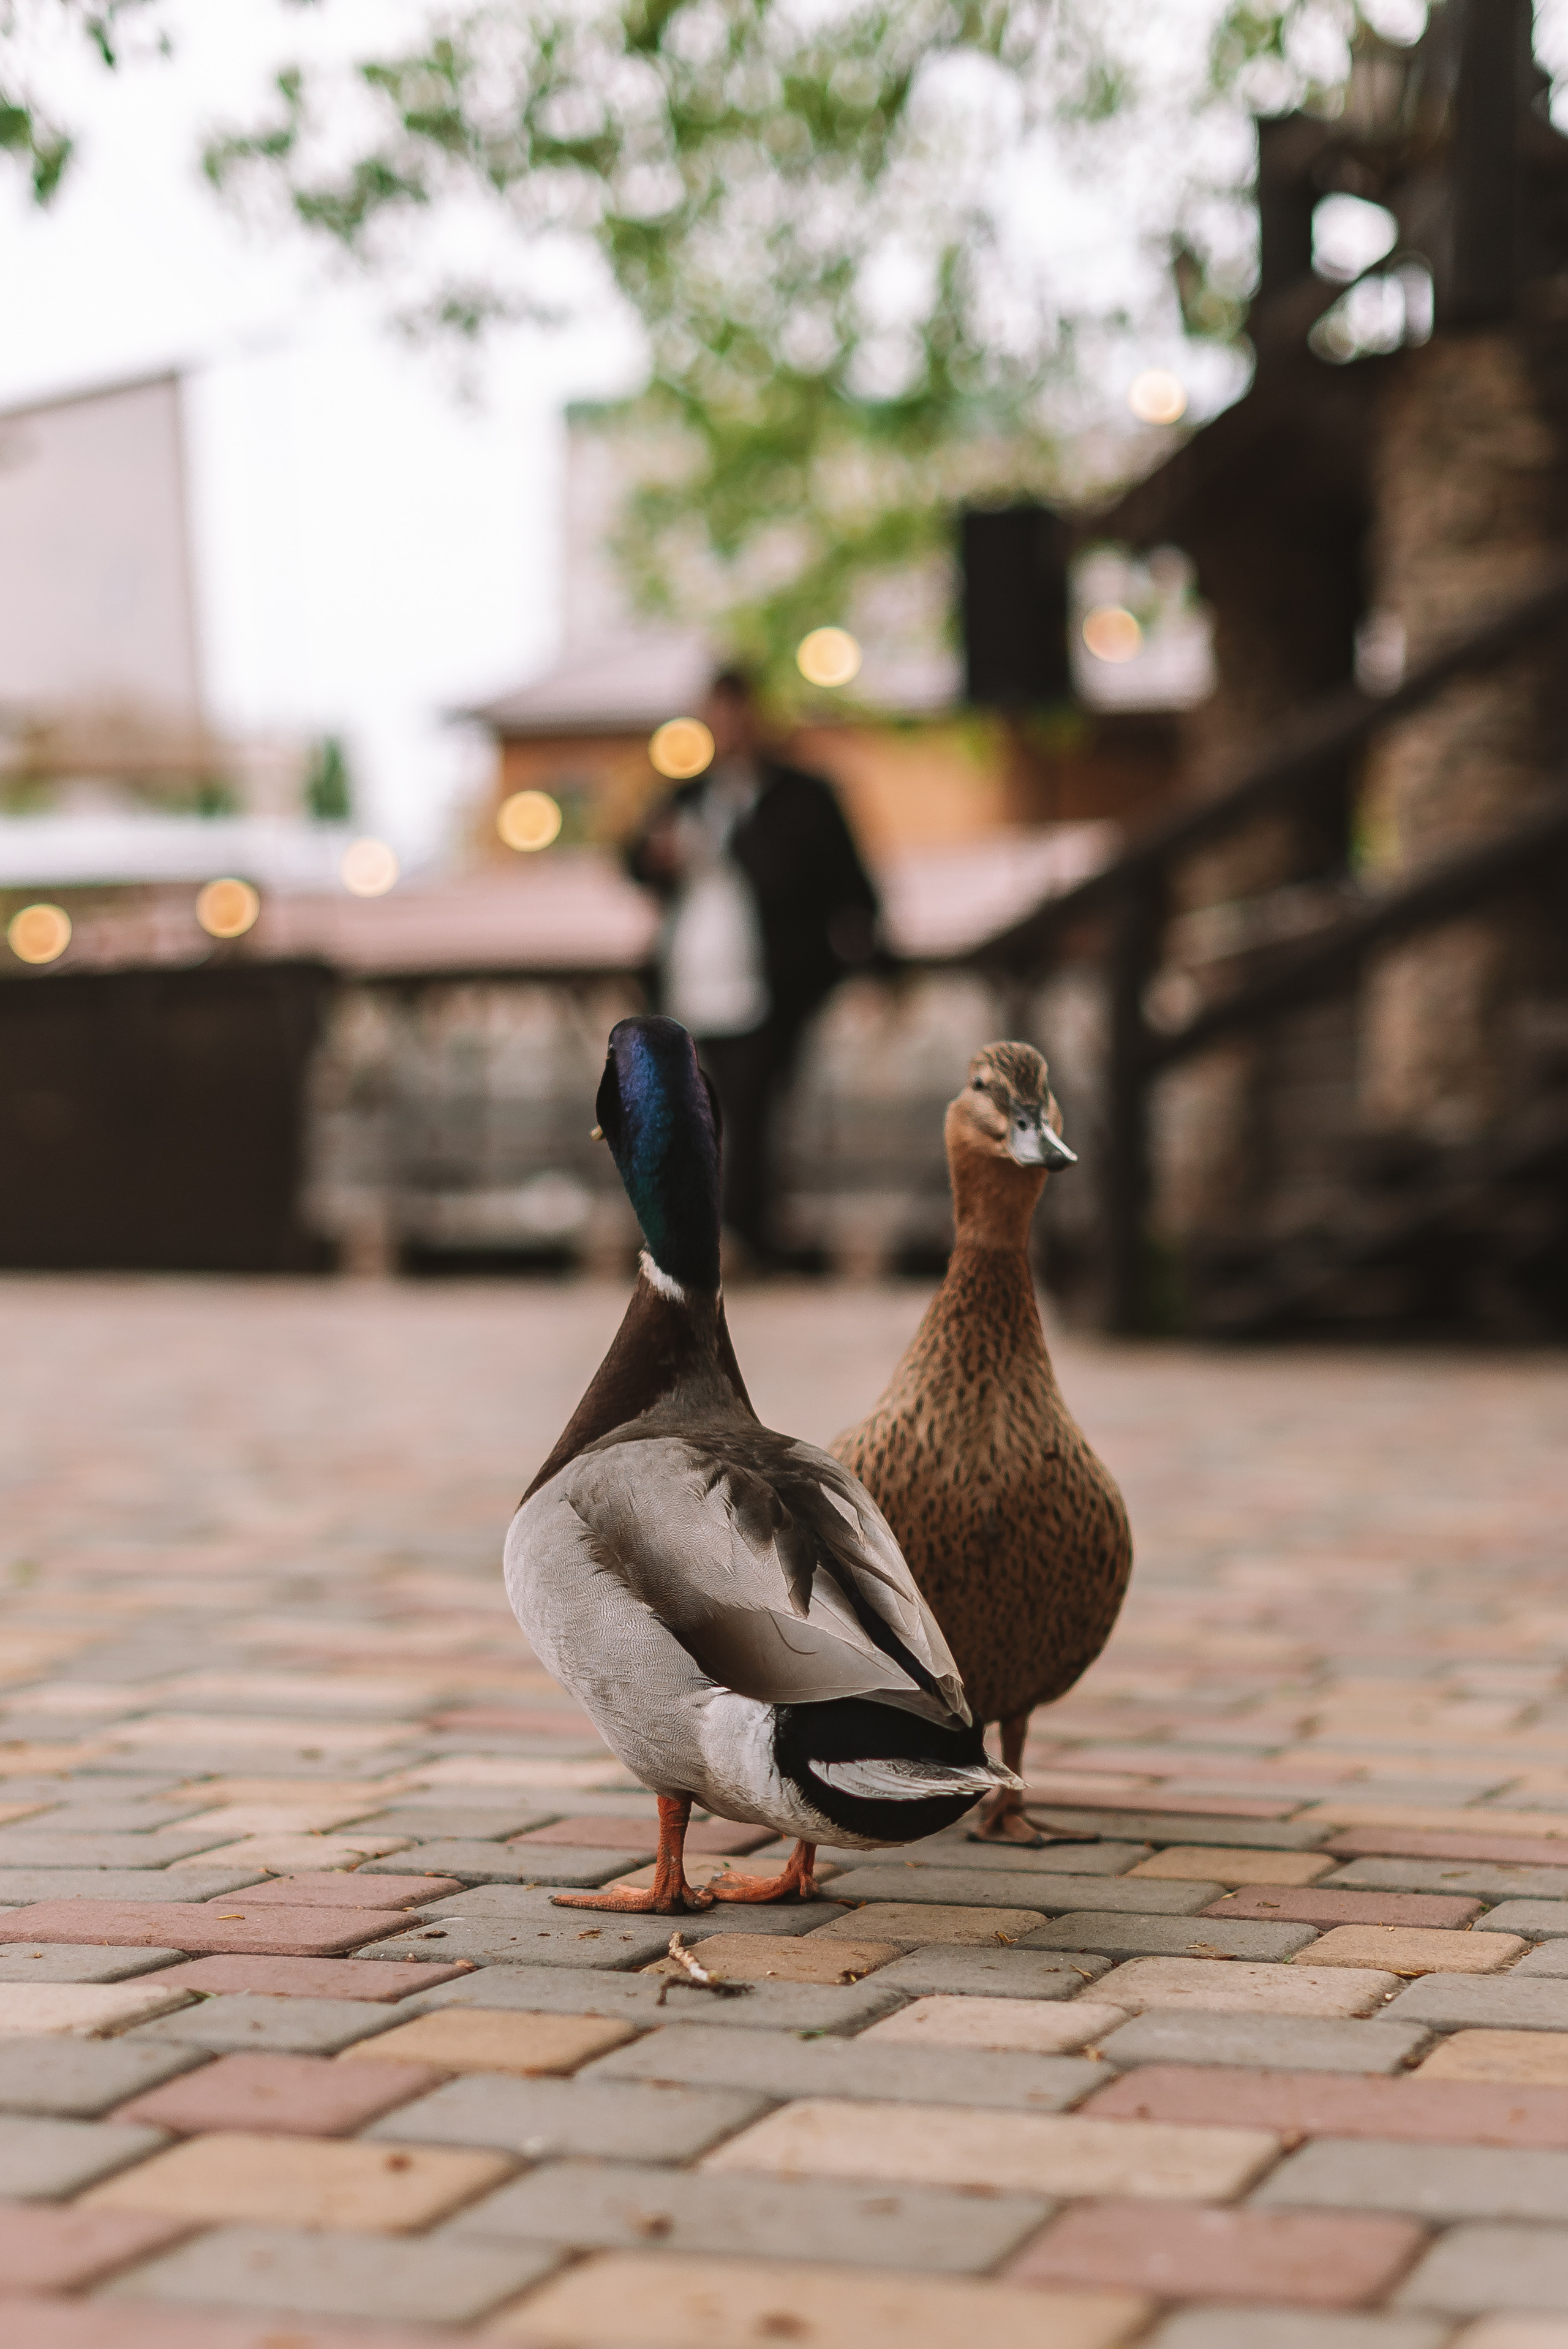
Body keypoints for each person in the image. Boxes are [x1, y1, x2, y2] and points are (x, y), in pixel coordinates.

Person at [627, 669, 880, 1265]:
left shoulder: (801, 797)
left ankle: (741, 1232)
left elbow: (847, 886)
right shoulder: (688, 797)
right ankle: (698, 1229)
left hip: (772, 981)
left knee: (753, 1106)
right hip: (690, 981)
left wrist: (870, 966)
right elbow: (633, 861)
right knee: (691, 1111)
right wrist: (659, 858)